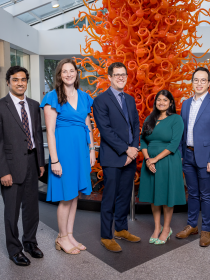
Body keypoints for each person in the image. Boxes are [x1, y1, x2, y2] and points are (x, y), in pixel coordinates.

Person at [0, 66, 45, 266]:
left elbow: (37, 135)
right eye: (15, 80)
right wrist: (3, 171)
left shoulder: (34, 105)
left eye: (23, 79)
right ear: (8, 82)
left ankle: (30, 242)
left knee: (32, 208)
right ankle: (14, 249)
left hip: (31, 161)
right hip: (11, 166)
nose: (20, 83)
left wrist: (40, 162)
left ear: (27, 81)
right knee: (11, 210)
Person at [41, 58, 96, 255]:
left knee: (75, 196)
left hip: (81, 150)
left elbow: (87, 124)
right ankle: (61, 237)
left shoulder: (84, 96)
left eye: (71, 70)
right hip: (63, 152)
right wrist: (54, 160)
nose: (68, 74)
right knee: (66, 196)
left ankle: (70, 235)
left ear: (76, 73)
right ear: (59, 75)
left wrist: (92, 149)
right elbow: (50, 131)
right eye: (64, 71)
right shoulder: (52, 97)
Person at [93, 62, 141, 253]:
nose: (121, 77)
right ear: (110, 77)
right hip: (113, 157)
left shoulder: (129, 99)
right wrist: (126, 150)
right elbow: (106, 131)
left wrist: (135, 148)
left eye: (123, 74)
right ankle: (107, 236)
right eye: (117, 74)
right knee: (110, 198)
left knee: (124, 196)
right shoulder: (100, 100)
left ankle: (121, 229)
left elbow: (136, 125)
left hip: (130, 156)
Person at [175, 67, 210, 247]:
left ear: (209, 83)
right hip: (188, 155)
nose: (199, 83)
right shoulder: (186, 103)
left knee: (206, 195)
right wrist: (181, 155)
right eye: (196, 80)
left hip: (206, 157)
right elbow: (182, 131)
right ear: (192, 82)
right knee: (193, 194)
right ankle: (191, 225)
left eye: (203, 80)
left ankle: (206, 229)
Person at [139, 90, 185, 245]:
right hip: (150, 161)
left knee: (166, 196)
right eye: (159, 100)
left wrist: (155, 159)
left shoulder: (176, 119)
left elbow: (174, 143)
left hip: (168, 161)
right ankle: (157, 227)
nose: (161, 103)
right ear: (155, 102)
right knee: (154, 195)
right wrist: (147, 159)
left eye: (165, 100)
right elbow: (143, 140)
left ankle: (166, 229)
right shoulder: (149, 118)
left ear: (170, 103)